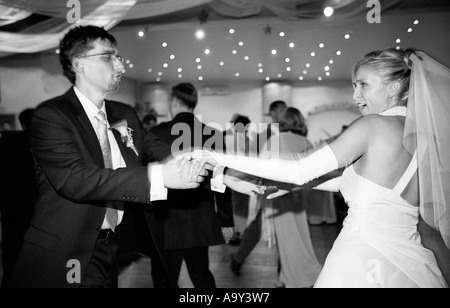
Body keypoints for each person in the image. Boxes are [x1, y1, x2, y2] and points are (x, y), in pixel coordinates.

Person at [195, 48, 450, 288]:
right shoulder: (425, 138)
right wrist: (294, 185)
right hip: (409, 258)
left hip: (360, 254)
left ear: (394, 87)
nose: (355, 95)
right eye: (354, 86)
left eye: (363, 85)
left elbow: (300, 169)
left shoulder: (373, 125)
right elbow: (374, 189)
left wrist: (220, 158)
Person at [5, 25, 212, 288]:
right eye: (108, 56)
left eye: (119, 57)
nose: (120, 66)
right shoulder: (52, 115)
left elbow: (163, 152)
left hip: (111, 248)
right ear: (79, 64)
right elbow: (76, 179)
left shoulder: (123, 114)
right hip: (67, 251)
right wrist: (159, 177)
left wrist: (223, 174)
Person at [148, 83, 234, 288]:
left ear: (175, 102)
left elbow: (149, 177)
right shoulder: (213, 134)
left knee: (165, 279)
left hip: (166, 220)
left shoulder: (156, 133)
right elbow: (221, 179)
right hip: (200, 218)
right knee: (201, 273)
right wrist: (226, 219)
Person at [260, 107, 322, 288]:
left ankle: (298, 278)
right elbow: (314, 172)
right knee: (300, 236)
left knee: (287, 240)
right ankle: (286, 277)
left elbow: (262, 168)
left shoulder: (275, 141)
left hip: (279, 196)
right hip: (300, 196)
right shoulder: (306, 142)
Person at [229, 102, 286, 276]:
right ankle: (281, 269)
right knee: (260, 223)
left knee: (265, 225)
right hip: (270, 184)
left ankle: (240, 258)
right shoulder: (266, 133)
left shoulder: (272, 132)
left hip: (275, 183)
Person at [0, 108, 37, 286]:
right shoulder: (51, 142)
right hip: (41, 207)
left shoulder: (8, 139)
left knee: (13, 249)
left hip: (12, 206)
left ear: (22, 124)